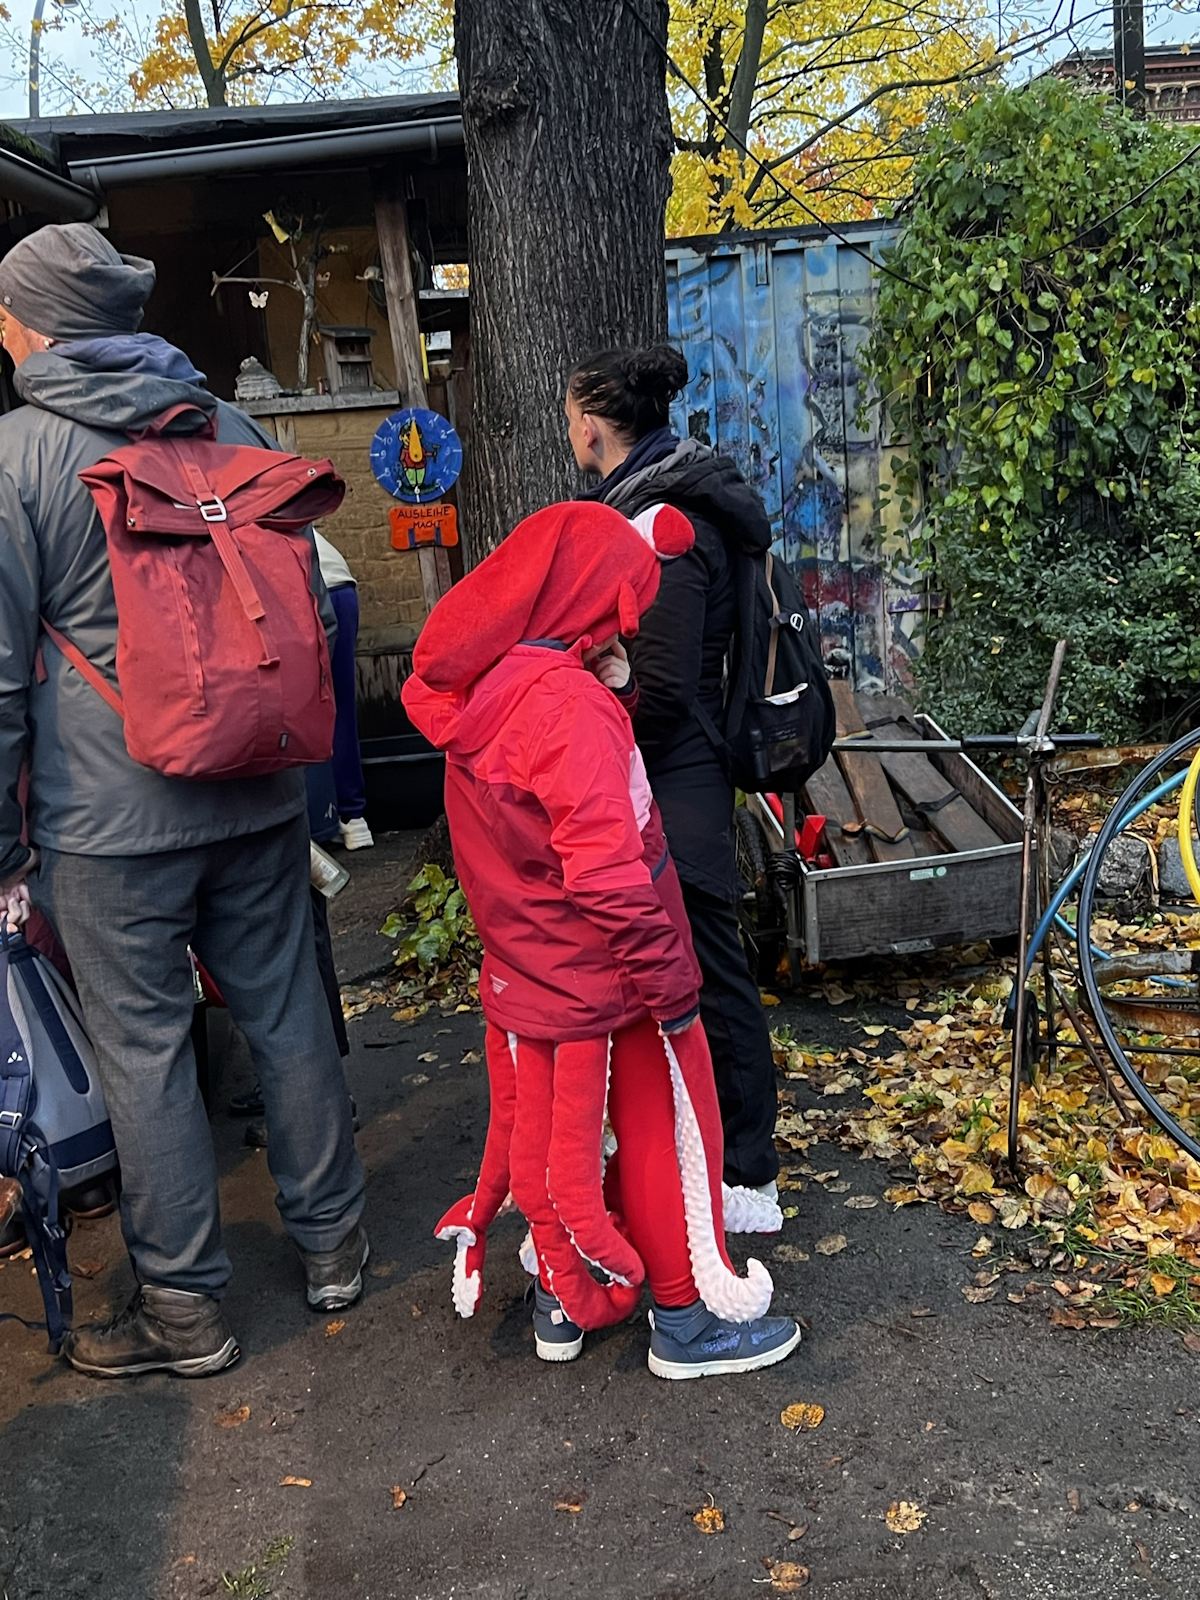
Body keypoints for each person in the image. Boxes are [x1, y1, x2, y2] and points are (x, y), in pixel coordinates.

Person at [0, 223, 367, 1379]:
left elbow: (1, 676)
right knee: (287, 1013)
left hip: (107, 822)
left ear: (34, 326)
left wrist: (6, 846)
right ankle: (335, 1246)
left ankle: (187, 1312)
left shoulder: (16, 458)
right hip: (258, 789)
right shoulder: (232, 429)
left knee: (143, 1047)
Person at [403, 499, 800, 1378]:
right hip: (612, 972)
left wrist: (606, 682)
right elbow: (608, 874)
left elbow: (527, 834)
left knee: (566, 1143)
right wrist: (672, 985)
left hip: (534, 971)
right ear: (590, 600)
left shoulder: (490, 692)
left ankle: (561, 1295)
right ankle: (686, 1319)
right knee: (654, 1129)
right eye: (625, 608)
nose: (632, 626)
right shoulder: (567, 712)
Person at [566, 345, 781, 1205]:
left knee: (710, 976)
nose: (570, 432)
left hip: (677, 773)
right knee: (680, 971)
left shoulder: (663, 522)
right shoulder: (647, 499)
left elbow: (660, 685)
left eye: (570, 417)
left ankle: (748, 1175)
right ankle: (699, 1151)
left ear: (592, 424)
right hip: (665, 767)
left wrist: (589, 699)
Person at [313, 531, 373, 850]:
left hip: (310, 591)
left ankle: (319, 819)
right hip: (340, 586)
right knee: (341, 706)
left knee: (303, 710)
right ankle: (353, 817)